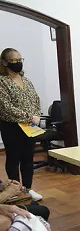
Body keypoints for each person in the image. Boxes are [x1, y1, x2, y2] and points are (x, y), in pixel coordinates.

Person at [0, 48, 43, 202]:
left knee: (28, 158)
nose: (18, 63)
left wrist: (36, 116)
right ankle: (16, 191)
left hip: (30, 126)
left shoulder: (27, 81)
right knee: (13, 159)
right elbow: (5, 107)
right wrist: (28, 116)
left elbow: (36, 100)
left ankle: (28, 188)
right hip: (12, 126)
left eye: (20, 60)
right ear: (5, 62)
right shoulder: (2, 82)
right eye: (14, 60)